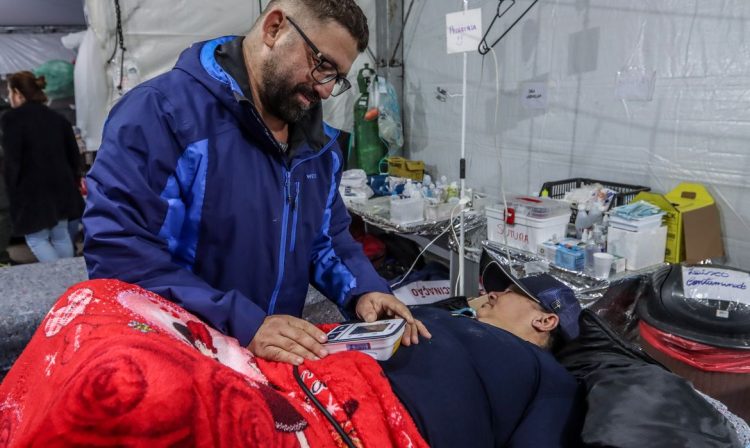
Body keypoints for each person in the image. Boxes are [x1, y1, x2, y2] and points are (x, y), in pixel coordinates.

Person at [83, 0, 430, 366]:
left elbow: (326, 239)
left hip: (272, 361)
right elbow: (118, 252)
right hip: (181, 359)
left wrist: (364, 289)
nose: (326, 91)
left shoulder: (318, 148)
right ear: (274, 27)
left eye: (337, 77)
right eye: (323, 65)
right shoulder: (162, 114)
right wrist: (243, 323)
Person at [380, 260, 584, 447]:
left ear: (544, 321)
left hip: (385, 425)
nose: (492, 294)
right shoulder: (444, 315)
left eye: (510, 292)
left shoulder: (549, 377)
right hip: (357, 367)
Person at [1, 72, 83, 263]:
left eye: (9, 92)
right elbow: (73, 155)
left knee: (36, 239)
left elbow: (13, 160)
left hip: (31, 190)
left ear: (18, 94)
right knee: (61, 235)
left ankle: (60, 280)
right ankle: (70, 279)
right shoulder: (57, 118)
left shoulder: (11, 119)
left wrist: (12, 191)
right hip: (61, 187)